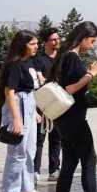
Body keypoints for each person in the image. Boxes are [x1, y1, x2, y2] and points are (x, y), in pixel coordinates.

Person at [49, 21, 97, 192]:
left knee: (69, 163)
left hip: (63, 119)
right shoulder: (72, 57)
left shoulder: (62, 57)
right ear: (83, 37)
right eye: (92, 41)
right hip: (74, 119)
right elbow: (70, 89)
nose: (92, 45)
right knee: (89, 159)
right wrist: (91, 74)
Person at [0, 30, 43, 192]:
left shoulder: (28, 63)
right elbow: (9, 92)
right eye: (32, 44)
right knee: (17, 153)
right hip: (18, 106)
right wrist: (16, 119)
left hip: (28, 106)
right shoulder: (14, 65)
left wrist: (34, 112)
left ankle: (27, 188)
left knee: (29, 150)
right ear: (22, 45)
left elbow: (29, 90)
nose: (36, 47)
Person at [32, 27, 62, 182]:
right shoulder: (38, 61)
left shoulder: (62, 59)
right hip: (43, 105)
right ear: (45, 42)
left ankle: (54, 169)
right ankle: (35, 170)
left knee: (57, 138)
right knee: (39, 139)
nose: (57, 41)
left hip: (58, 105)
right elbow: (39, 81)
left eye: (58, 38)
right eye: (53, 39)